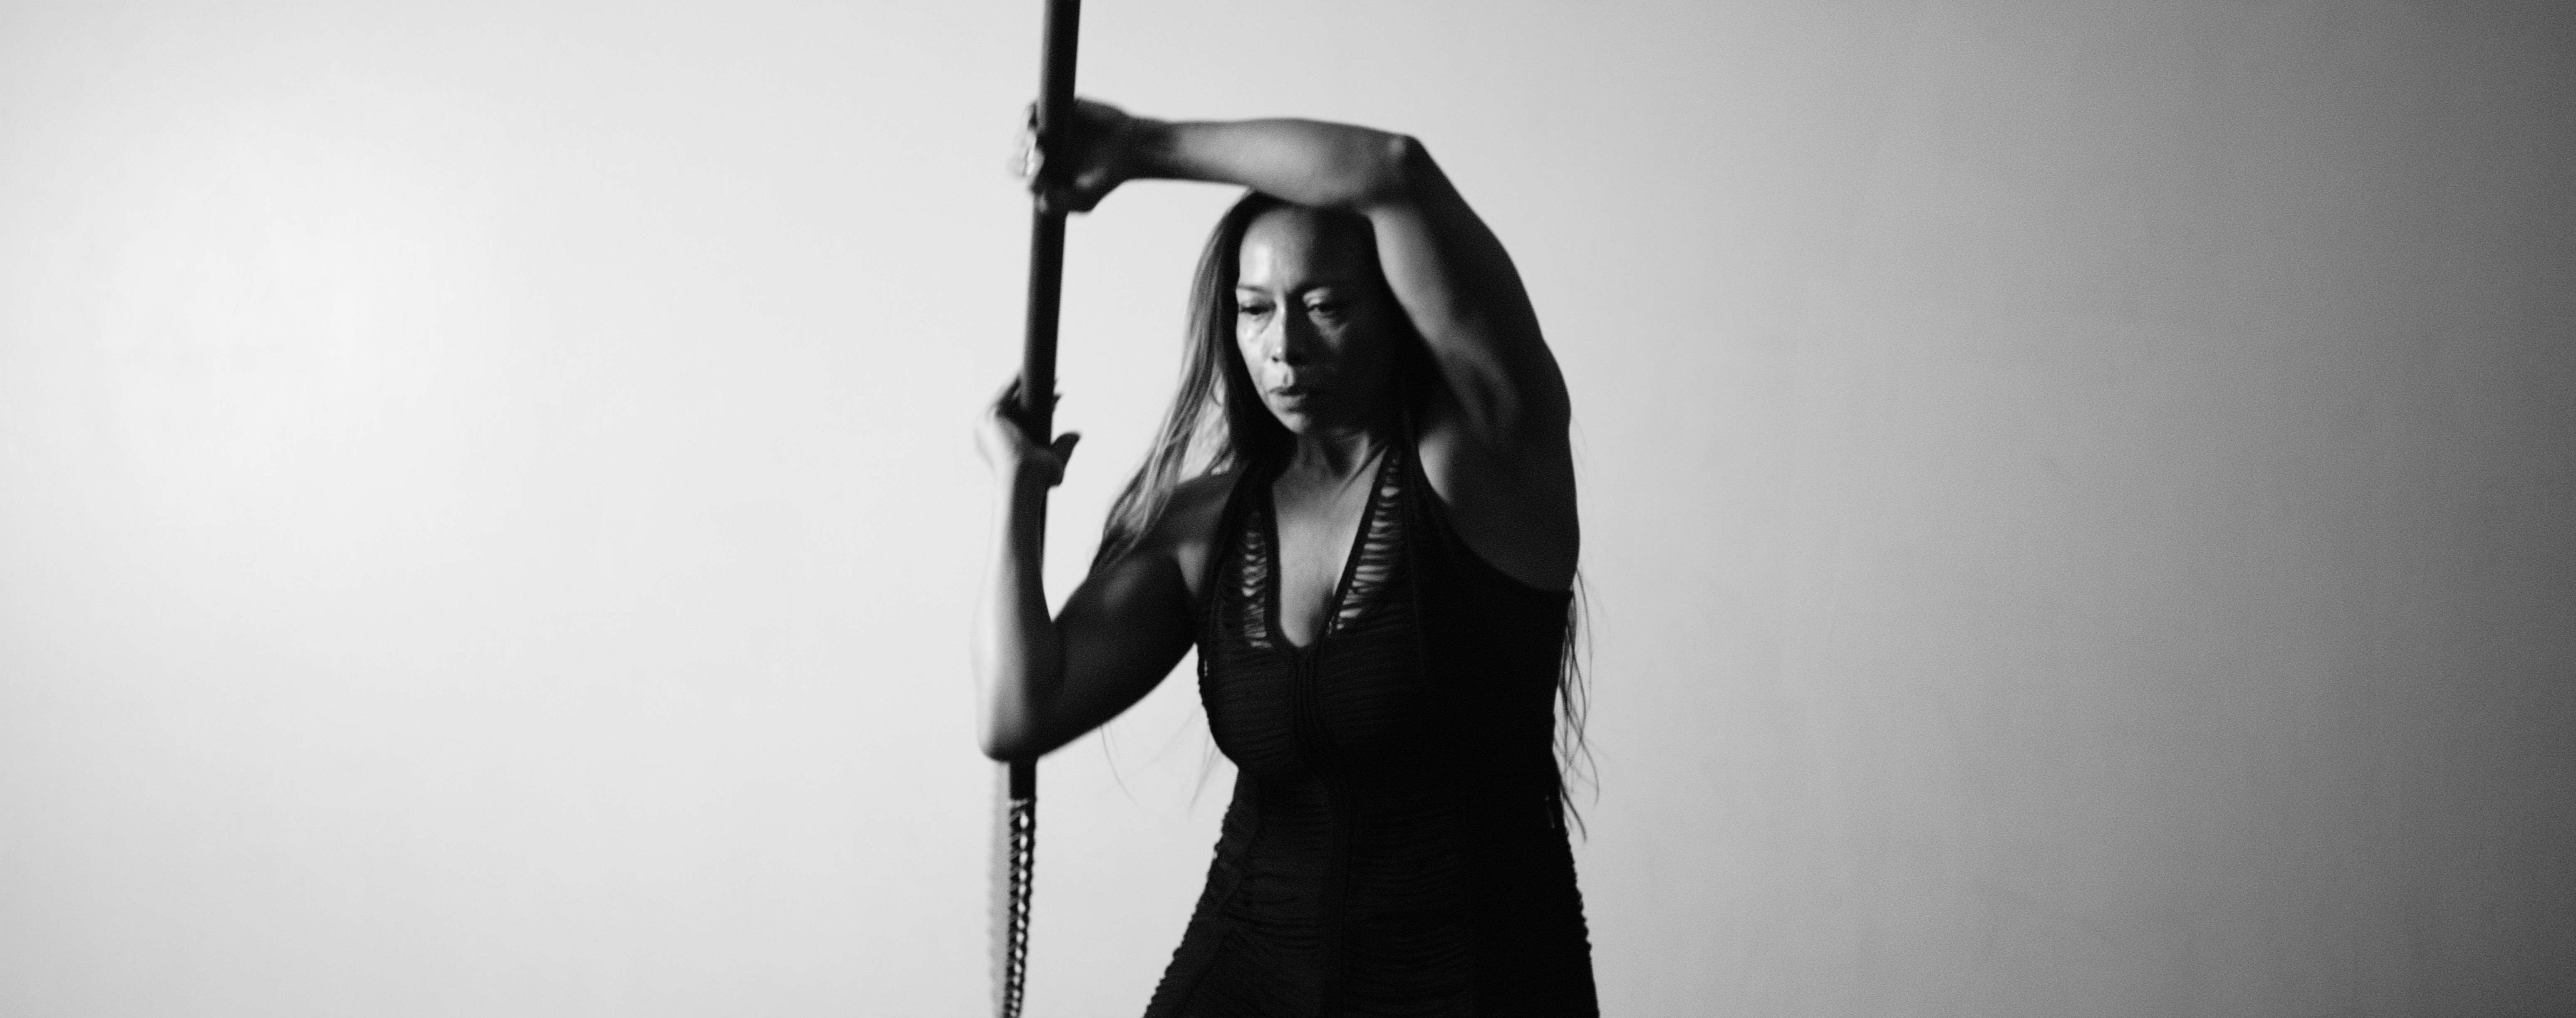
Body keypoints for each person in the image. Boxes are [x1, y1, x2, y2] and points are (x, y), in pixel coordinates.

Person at [974, 99, 1595, 1017]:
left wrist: (1139, 149)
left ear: (1400, 312)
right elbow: (1017, 712)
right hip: (1241, 979)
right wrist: (1018, 493)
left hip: (1478, 985)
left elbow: (1393, 169)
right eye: (1255, 311)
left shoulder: (1492, 459)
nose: (1285, 347)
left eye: (1328, 307)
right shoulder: (1208, 523)